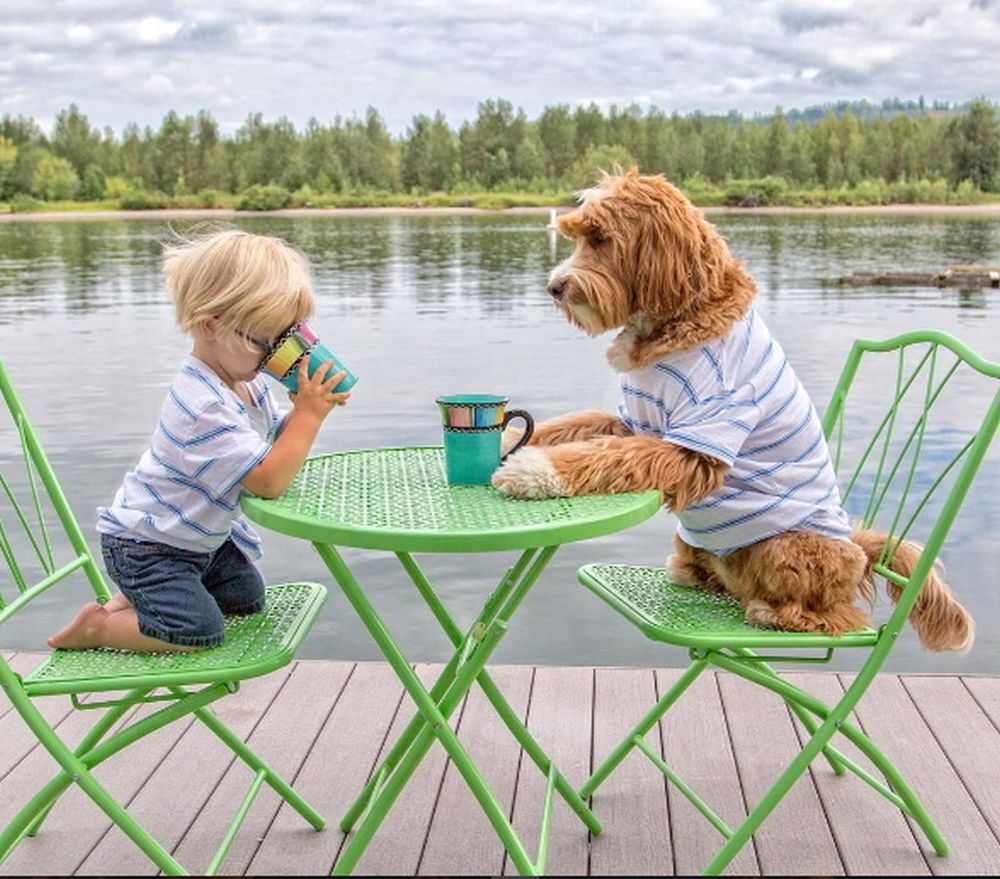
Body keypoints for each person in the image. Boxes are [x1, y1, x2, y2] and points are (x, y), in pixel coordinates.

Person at [48, 229, 350, 652]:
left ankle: (136, 598)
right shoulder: (201, 406)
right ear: (211, 327)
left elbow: (265, 450)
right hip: (148, 547)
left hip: (199, 542)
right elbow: (268, 480)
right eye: (267, 344)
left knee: (246, 601)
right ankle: (98, 628)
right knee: (199, 632)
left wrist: (303, 410)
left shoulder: (246, 383)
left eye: (290, 341)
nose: (276, 358)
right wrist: (309, 417)